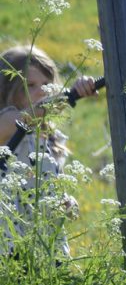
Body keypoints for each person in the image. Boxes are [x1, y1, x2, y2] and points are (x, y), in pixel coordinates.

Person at [1, 45, 98, 255]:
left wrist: (66, 205)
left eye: (46, 84)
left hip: (45, 246)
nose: (41, 91)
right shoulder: (7, 121)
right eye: (30, 85)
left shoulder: (49, 139)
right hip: (9, 243)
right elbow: (28, 117)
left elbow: (50, 188)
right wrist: (71, 94)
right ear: (8, 91)